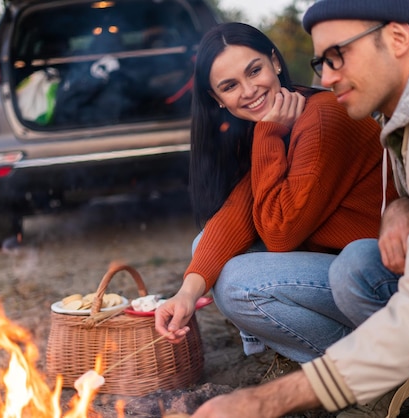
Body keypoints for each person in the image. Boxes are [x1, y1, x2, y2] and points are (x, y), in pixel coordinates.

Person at [187, 1, 409, 418]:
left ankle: (399, 378)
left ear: (398, 37)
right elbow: (244, 204)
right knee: (356, 264)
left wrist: (267, 400)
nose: (327, 76)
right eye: (322, 62)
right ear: (217, 100)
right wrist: (402, 205)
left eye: (339, 56)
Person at [155, 22, 396, 367]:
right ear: (217, 99)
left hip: (377, 278)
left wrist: (268, 134)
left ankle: (366, 366)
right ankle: (308, 354)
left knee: (239, 285)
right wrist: (185, 295)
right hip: (339, 263)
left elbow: (280, 232)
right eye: (230, 86)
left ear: (275, 63)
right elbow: (239, 209)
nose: (250, 90)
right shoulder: (277, 117)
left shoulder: (321, 116)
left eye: (254, 71)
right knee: (205, 248)